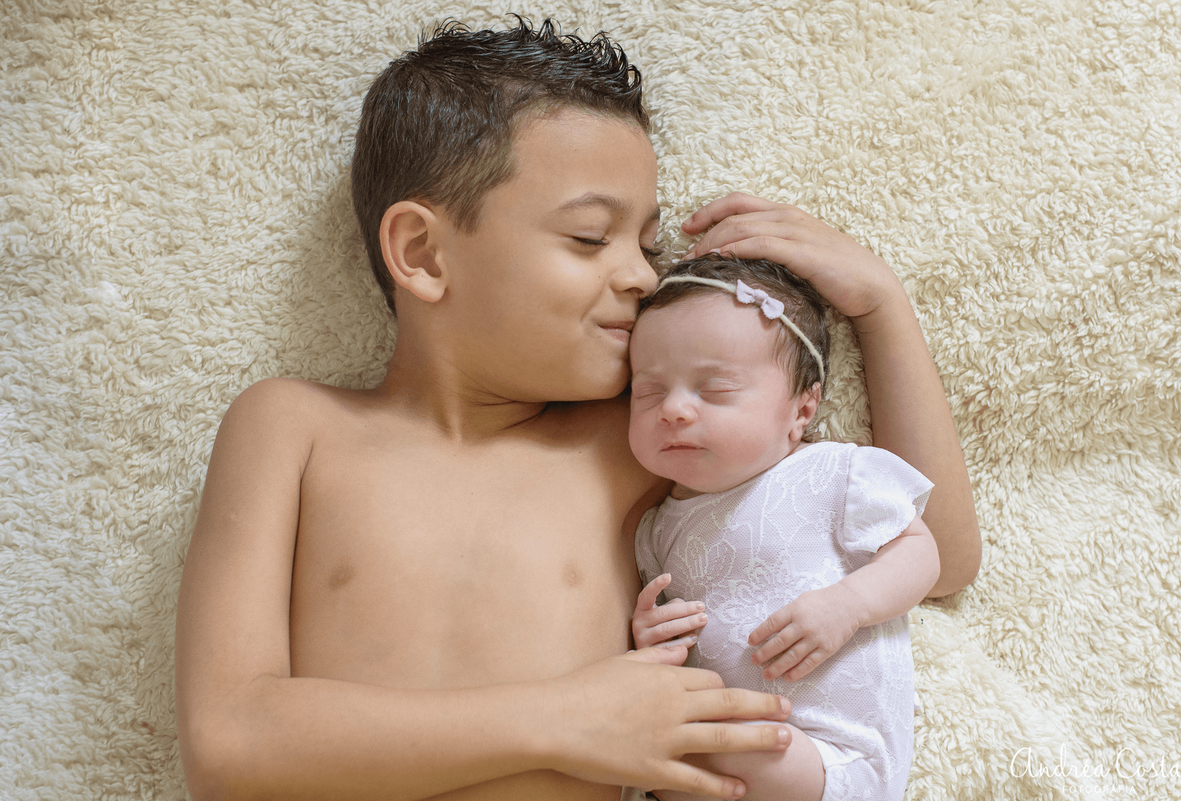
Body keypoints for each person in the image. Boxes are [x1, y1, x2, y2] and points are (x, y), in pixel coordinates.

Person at [173, 16, 981, 801]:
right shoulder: (292, 428)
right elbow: (229, 743)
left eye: (649, 244)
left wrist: (879, 306)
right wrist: (564, 718)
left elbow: (937, 552)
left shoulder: (637, 440)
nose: (639, 275)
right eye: (591, 238)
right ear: (422, 253)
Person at [626, 255, 940, 801]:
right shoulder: (655, 531)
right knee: (659, 739)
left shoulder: (834, 474)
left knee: (695, 744)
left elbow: (922, 555)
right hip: (745, 744)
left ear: (802, 410)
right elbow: (679, 641)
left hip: (838, 755)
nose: (673, 408)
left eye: (714, 389)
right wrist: (652, 638)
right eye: (648, 392)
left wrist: (850, 605)